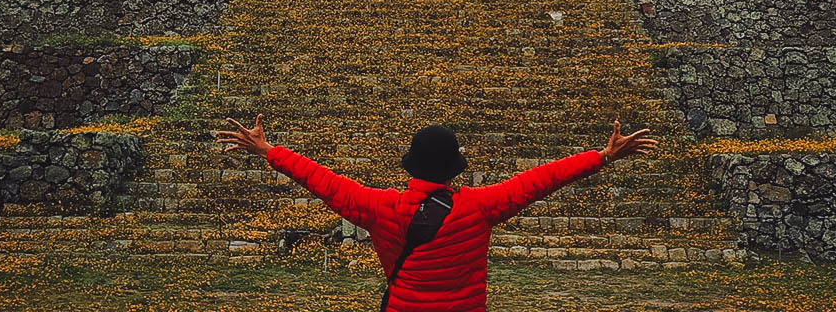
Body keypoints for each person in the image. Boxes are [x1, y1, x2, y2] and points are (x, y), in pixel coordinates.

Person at [213, 112, 658, 312]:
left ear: (411, 165)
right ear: (451, 170)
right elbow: (541, 179)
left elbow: (321, 179)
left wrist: (269, 149)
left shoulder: (377, 207)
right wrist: (601, 156)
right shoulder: (479, 207)